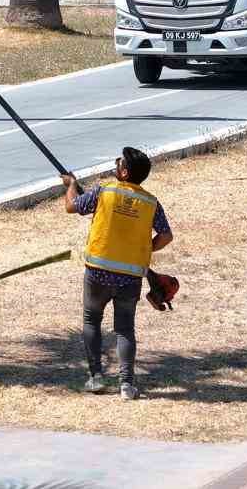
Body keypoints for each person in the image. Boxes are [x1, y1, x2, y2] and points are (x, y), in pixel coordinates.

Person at [62, 147, 173, 401]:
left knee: (92, 321)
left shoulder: (104, 192)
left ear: (124, 172)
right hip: (130, 277)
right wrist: (145, 249)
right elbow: (166, 236)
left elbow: (71, 206)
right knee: (125, 329)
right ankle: (126, 385)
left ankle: (96, 377)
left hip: (97, 273)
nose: (116, 164)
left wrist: (71, 184)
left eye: (118, 162)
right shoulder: (150, 203)